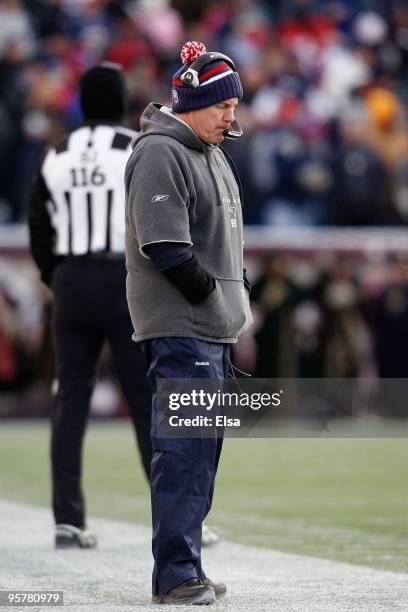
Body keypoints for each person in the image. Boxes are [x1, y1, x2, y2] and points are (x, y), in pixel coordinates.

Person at [125, 41, 252, 605]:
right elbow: (165, 245)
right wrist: (211, 299)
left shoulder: (209, 149)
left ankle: (186, 566)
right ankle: (175, 575)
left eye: (234, 105)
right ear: (194, 100)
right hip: (183, 326)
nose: (232, 115)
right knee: (184, 451)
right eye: (222, 104)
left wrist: (234, 300)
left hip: (210, 329)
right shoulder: (161, 152)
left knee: (203, 453)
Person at [27, 63, 153, 549]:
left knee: (70, 400)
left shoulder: (55, 151)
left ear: (81, 101)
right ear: (121, 99)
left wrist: (55, 277)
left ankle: (67, 518)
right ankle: (176, 516)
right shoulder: (135, 147)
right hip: (124, 278)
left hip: (72, 280)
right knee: (144, 400)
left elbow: (39, 224)